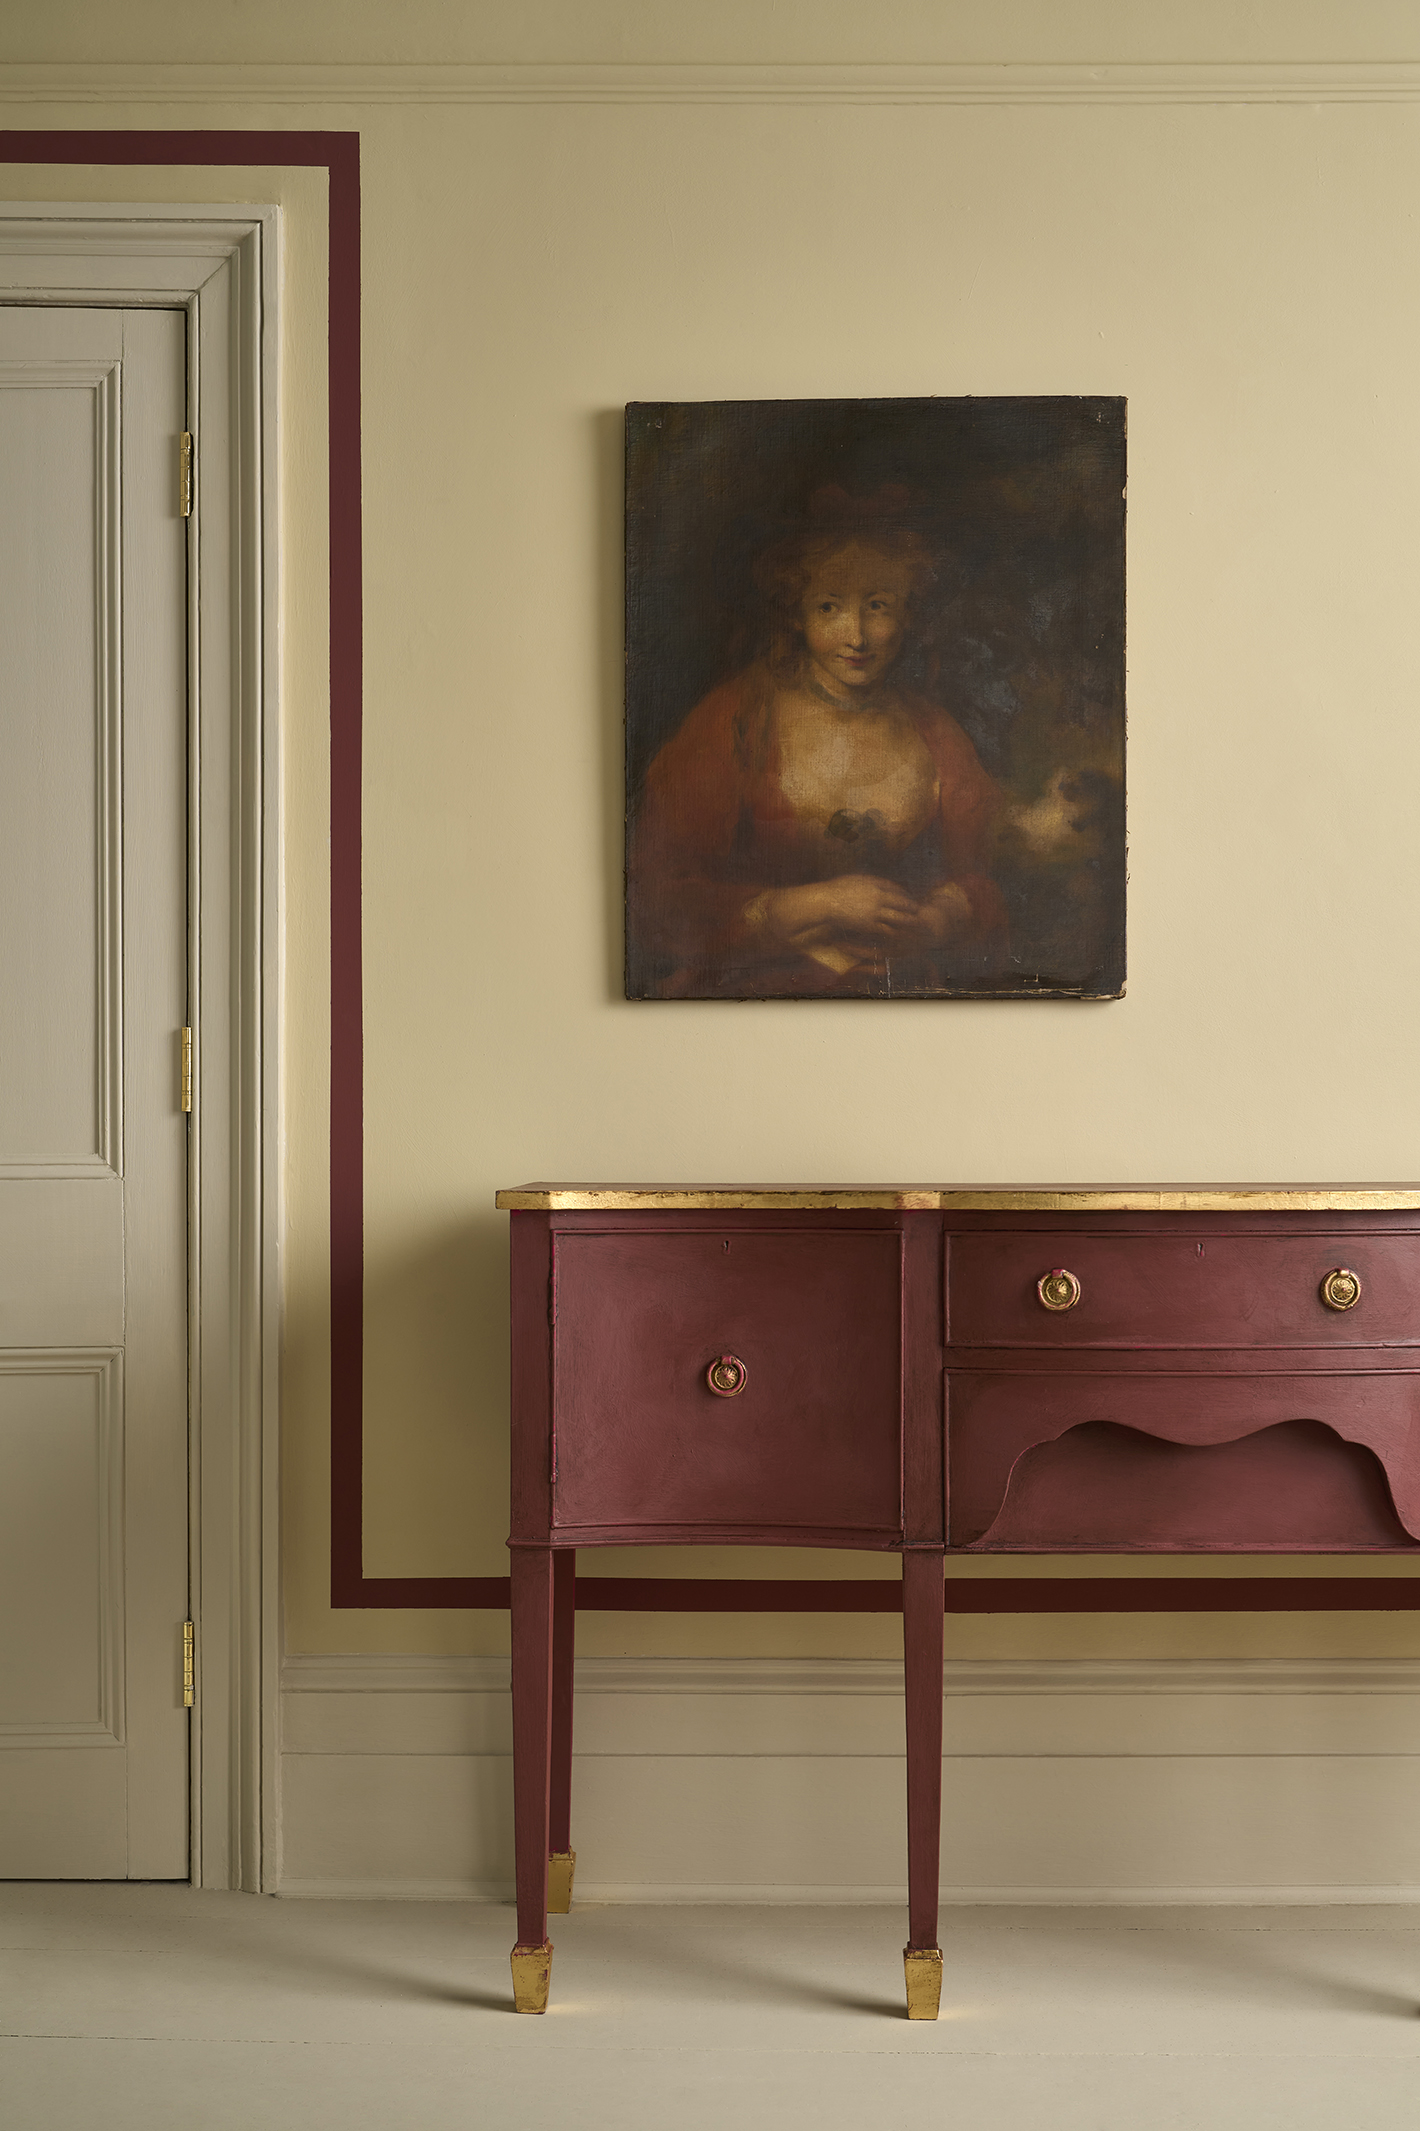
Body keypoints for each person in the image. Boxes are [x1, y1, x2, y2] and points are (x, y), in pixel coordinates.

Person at [628, 495, 1009, 997]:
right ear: (796, 615)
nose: (856, 636)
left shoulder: (934, 733)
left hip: (901, 994)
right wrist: (817, 905)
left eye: (878, 606)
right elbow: (655, 902)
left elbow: (986, 880)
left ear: (910, 613)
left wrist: (933, 923)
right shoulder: (738, 720)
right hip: (751, 991)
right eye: (829, 607)